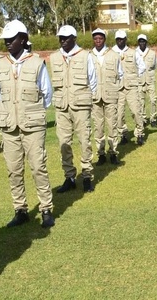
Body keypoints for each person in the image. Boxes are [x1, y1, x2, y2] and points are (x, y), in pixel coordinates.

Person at [0, 19, 55, 228]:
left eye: (12, 39)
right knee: (13, 170)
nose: (8, 43)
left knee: (38, 167)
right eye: (6, 40)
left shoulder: (37, 63)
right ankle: (20, 209)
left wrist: (31, 113)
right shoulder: (0, 64)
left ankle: (46, 208)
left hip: (32, 126)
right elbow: (0, 94)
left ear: (23, 39)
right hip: (9, 126)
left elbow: (47, 94)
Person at [51, 25, 98, 193]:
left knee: (84, 140)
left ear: (74, 38)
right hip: (62, 106)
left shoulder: (86, 56)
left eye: (66, 37)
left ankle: (87, 176)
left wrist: (83, 97)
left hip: (81, 105)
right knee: (64, 143)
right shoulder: (54, 57)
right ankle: (69, 176)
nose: (62, 40)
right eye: (60, 37)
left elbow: (93, 80)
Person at [89, 28, 121, 166]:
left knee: (112, 125)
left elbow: (120, 75)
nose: (98, 41)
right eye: (95, 39)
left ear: (104, 39)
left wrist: (115, 89)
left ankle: (113, 152)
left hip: (110, 95)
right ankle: (101, 153)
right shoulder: (88, 56)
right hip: (95, 96)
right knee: (98, 126)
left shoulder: (114, 55)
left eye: (100, 38)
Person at [113, 30, 146, 146]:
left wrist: (135, 78)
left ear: (126, 39)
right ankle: (123, 134)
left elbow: (142, 67)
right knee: (118, 114)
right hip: (118, 87)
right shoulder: (112, 52)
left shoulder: (133, 52)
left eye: (122, 39)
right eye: (118, 39)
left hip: (131, 87)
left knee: (136, 111)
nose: (120, 41)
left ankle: (140, 133)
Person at [136, 34, 157, 128]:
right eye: (140, 41)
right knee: (141, 102)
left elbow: (154, 66)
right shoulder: (135, 53)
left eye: (143, 41)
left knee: (153, 100)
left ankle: (153, 119)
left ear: (146, 42)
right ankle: (144, 119)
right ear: (138, 42)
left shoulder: (152, 53)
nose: (142, 43)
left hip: (150, 80)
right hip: (139, 81)